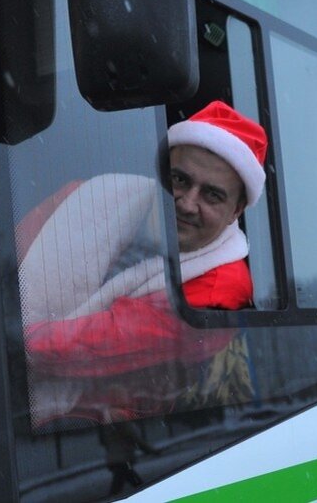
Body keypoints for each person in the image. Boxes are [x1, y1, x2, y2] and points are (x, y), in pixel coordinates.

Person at [19, 101, 268, 426]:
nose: (188, 203)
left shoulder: (218, 294)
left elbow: (77, 350)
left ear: (237, 211)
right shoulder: (89, 195)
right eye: (179, 180)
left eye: (212, 195)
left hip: (87, 433)